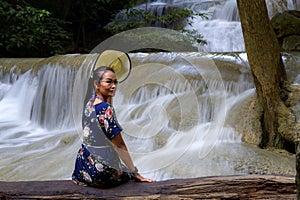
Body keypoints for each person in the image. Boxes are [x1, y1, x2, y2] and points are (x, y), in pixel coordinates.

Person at [72, 62, 155, 188]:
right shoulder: (106, 110)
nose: (114, 86)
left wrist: (109, 98)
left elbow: (103, 115)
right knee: (128, 174)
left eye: (115, 82)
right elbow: (119, 145)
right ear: (96, 84)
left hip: (83, 167)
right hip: (101, 172)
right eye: (109, 82)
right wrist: (135, 173)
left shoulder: (89, 103)